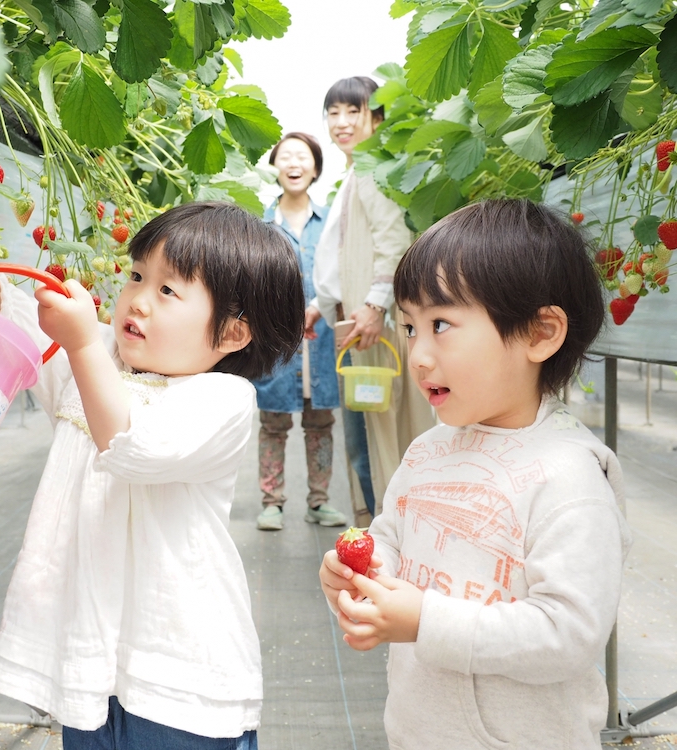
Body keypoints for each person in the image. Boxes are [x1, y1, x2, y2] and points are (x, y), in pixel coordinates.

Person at [0, 202, 305, 748]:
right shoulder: (98, 364)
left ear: (232, 333)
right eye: (137, 275)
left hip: (180, 679)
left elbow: (131, 446)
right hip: (91, 670)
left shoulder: (223, 400)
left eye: (168, 290)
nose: (136, 298)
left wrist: (83, 343)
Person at [318, 199, 632, 749]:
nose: (417, 354)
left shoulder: (569, 480)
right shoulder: (426, 453)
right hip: (418, 732)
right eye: (410, 327)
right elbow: (392, 537)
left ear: (540, 333)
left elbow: (569, 633)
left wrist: (425, 622)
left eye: (441, 325)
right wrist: (364, 573)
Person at [307, 76, 435, 527]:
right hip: (358, 325)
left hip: (370, 328)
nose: (340, 122)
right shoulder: (359, 171)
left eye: (353, 111)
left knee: (377, 431)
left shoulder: (374, 168)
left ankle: (387, 533)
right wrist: (321, 307)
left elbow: (393, 242)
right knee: (367, 428)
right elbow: (344, 256)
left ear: (377, 117)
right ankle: (381, 528)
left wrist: (375, 305)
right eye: (333, 113)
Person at [253, 132, 347, 531]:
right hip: (277, 342)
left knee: (320, 424)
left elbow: (343, 274)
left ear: (315, 168)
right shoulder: (260, 224)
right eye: (286, 156)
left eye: (302, 157)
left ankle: (319, 502)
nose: (294, 164)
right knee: (273, 423)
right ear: (274, 166)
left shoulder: (332, 222)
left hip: (321, 340)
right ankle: (271, 502)